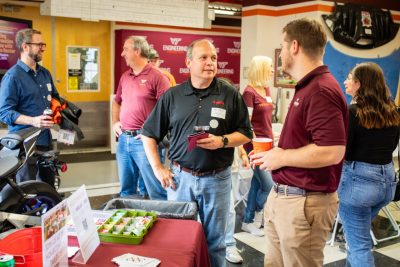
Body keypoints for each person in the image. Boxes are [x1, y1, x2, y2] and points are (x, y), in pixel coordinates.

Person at [141, 39, 253, 267]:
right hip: (180, 180)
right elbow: (148, 133)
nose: (210, 63)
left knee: (216, 242)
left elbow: (246, 133)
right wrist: (158, 168)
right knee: (178, 239)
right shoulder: (173, 96)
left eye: (213, 58)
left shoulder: (230, 94)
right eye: (203, 58)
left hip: (218, 180)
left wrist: (222, 141)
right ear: (189, 62)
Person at [251, 18, 348, 267]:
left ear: (294, 46)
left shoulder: (320, 90)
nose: (281, 53)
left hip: (303, 204)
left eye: (282, 46)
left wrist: (280, 157)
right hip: (286, 199)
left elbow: (332, 151)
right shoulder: (308, 87)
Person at [339, 62, 400, 266]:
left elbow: (344, 152)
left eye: (349, 78)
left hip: (359, 186)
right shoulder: (393, 110)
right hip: (387, 185)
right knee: (356, 238)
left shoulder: (353, 112)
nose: (345, 81)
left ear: (359, 83)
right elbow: (392, 146)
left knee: (359, 245)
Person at [111, 36, 170, 200]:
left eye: (126, 49)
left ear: (137, 51)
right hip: (124, 140)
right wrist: (115, 122)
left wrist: (150, 133)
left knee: (156, 190)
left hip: (145, 142)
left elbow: (168, 111)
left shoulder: (158, 77)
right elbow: (116, 103)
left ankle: (164, 223)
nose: (123, 53)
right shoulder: (125, 76)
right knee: (126, 191)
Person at [0, 28, 58, 186]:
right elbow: (4, 113)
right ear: (25, 47)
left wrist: (67, 127)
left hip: (46, 142)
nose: (42, 48)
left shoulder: (45, 73)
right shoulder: (12, 77)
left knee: (48, 188)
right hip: (24, 146)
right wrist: (33, 121)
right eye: (39, 44)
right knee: (28, 191)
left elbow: (56, 101)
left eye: (43, 45)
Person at [241, 55, 275, 237]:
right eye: (269, 67)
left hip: (269, 143)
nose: (272, 70)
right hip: (255, 146)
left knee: (257, 183)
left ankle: (249, 221)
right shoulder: (249, 92)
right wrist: (257, 144)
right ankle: (259, 214)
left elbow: (266, 119)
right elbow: (246, 123)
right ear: (261, 68)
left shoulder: (266, 89)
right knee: (269, 185)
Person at [225, 145, 249, 264]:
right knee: (228, 209)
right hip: (214, 168)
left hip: (233, 167)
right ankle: (228, 244)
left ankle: (229, 244)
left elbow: (238, 141)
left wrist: (243, 155)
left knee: (230, 209)